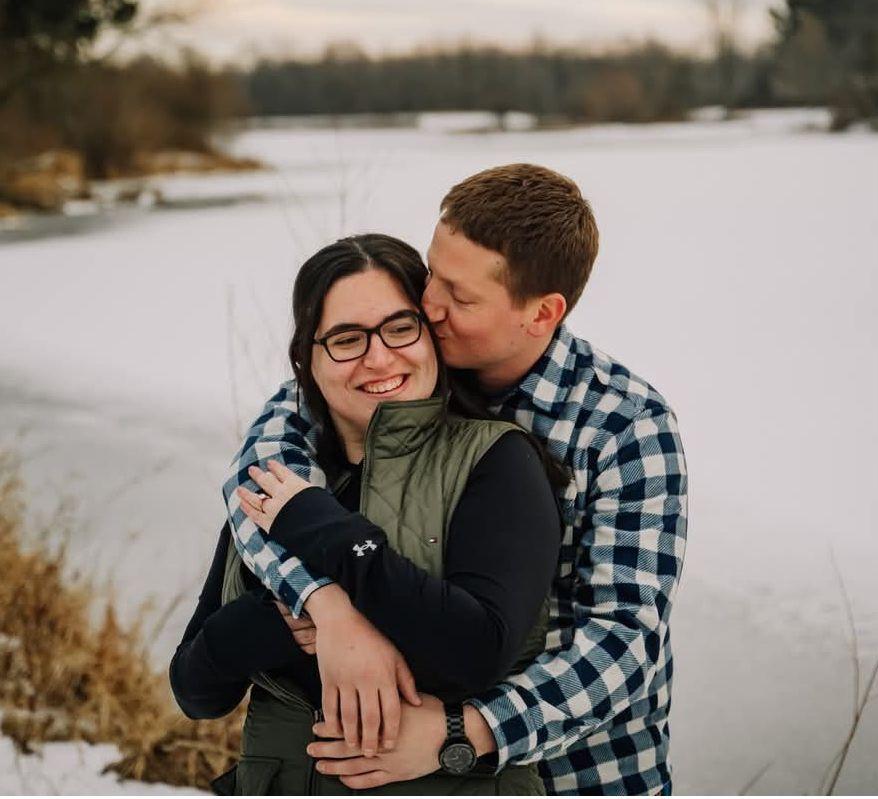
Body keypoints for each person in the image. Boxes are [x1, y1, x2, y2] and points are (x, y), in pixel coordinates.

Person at [224, 164, 688, 796]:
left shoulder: (624, 424)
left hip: (582, 776)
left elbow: (625, 640)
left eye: (461, 297)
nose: (430, 307)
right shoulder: (402, 360)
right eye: (432, 276)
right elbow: (259, 478)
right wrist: (327, 608)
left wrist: (465, 732)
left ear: (542, 313)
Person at [170, 233, 563, 795]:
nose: (379, 358)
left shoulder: (495, 460)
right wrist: (303, 619)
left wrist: (325, 531)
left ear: (431, 335)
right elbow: (196, 691)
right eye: (347, 339)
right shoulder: (283, 478)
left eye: (400, 328)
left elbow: (477, 649)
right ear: (306, 359)